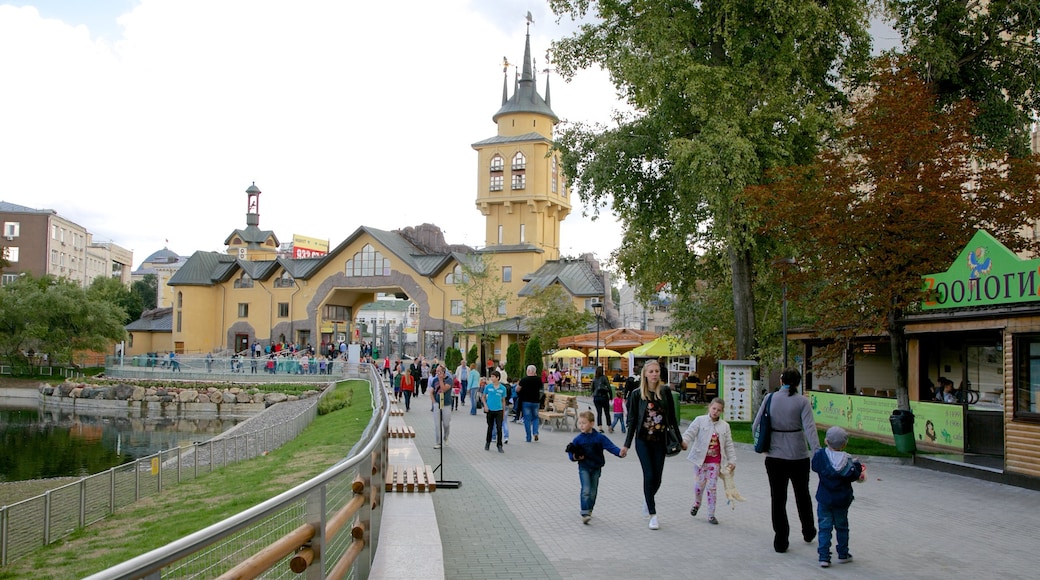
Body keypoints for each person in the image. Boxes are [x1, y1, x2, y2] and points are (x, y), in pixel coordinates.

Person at [753, 368, 820, 553]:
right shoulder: (802, 402)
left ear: (781, 380)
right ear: (798, 383)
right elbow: (810, 429)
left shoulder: (770, 398)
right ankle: (808, 530)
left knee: (778, 498)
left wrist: (761, 444)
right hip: (798, 455)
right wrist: (817, 452)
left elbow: (755, 425)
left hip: (774, 456)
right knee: (802, 494)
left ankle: (781, 540)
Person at [622, 359, 683, 530]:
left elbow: (672, 419)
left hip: (660, 442)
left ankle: (647, 497)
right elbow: (632, 421)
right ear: (645, 374)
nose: (654, 374)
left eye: (657, 371)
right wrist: (626, 445)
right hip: (643, 442)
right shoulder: (636, 394)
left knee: (658, 478)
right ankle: (653, 514)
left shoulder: (665, 392)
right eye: (651, 371)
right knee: (649, 475)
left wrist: (680, 439)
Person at [811, 426, 866, 567]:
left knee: (824, 527)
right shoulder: (848, 461)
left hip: (824, 499)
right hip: (842, 500)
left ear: (826, 441)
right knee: (842, 527)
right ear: (844, 444)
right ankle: (843, 553)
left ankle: (824, 557)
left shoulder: (820, 456)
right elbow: (855, 475)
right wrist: (858, 466)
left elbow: (815, 466)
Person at [682, 397, 736, 525]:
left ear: (722, 412)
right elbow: (689, 433)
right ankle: (697, 503)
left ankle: (711, 514)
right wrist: (684, 442)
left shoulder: (724, 426)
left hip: (715, 462)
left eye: (719, 410)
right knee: (699, 487)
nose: (715, 412)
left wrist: (732, 460)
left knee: (712, 487)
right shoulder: (700, 421)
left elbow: (729, 444)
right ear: (709, 407)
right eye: (714, 408)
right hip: (700, 460)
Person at [567, 410, 624, 524]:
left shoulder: (599, 437)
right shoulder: (578, 439)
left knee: (593, 491)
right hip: (584, 467)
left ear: (592, 423)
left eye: (584, 423)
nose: (581, 426)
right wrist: (574, 457)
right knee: (586, 490)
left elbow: (610, 446)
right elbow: (571, 452)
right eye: (580, 423)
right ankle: (585, 512)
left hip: (596, 467)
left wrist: (619, 452)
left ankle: (590, 509)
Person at [482, 370, 507, 452]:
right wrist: (485, 405)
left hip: (499, 410)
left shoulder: (503, 388)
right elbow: (483, 397)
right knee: (490, 427)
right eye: (491, 376)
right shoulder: (488, 387)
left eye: (493, 377)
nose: (491, 378)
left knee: (499, 428)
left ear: (497, 378)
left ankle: (499, 445)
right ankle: (487, 442)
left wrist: (503, 412)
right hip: (490, 410)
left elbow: (503, 401)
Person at [517, 364, 543, 442]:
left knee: (527, 419)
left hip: (526, 402)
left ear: (528, 371)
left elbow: (517, 389)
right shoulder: (539, 379)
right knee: (535, 417)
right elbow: (542, 390)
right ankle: (535, 432)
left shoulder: (524, 379)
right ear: (535, 372)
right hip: (536, 401)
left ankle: (528, 437)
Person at [429, 366, 453, 449]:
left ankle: (446, 437)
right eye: (436, 371)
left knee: (446, 423)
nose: (437, 373)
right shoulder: (434, 380)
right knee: (437, 424)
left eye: (439, 371)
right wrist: (434, 402)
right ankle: (438, 442)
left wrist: (440, 380)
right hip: (437, 404)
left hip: (446, 404)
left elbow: (443, 389)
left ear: (443, 372)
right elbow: (431, 392)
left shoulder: (449, 380)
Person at [592, 367, 613, 432]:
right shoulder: (604, 378)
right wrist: (611, 396)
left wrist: (594, 394)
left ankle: (600, 427)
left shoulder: (595, 378)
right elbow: (609, 387)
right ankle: (609, 427)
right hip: (604, 397)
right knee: (607, 412)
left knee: (599, 413)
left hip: (596, 397)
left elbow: (592, 388)